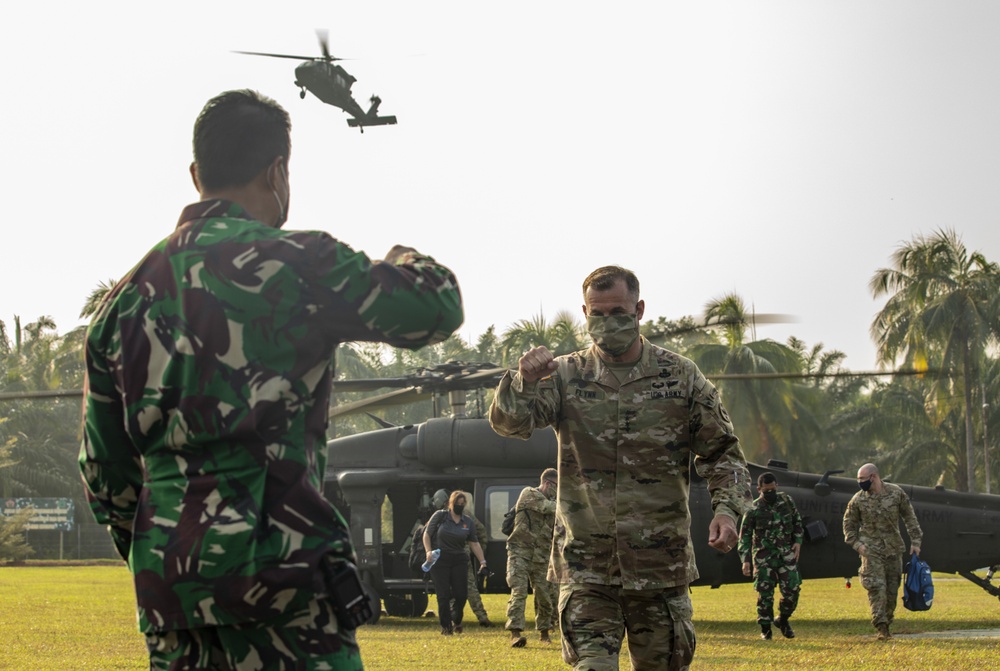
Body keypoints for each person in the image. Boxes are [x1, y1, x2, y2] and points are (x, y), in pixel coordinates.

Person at [78, 89, 464, 670]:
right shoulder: (300, 262)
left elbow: (104, 475)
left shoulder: (121, 303)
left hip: (175, 595)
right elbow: (437, 306)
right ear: (278, 170)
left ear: (195, 174)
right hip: (286, 584)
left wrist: (169, 547)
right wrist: (404, 258)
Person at [489, 265, 751, 671]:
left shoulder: (680, 376)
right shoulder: (564, 375)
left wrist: (726, 510)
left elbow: (723, 453)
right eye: (598, 313)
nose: (607, 322)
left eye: (618, 312)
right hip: (586, 569)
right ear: (585, 312)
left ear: (639, 309)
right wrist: (523, 380)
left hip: (660, 569)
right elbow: (510, 424)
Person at [843, 462, 923, 641]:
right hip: (870, 551)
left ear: (873, 477)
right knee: (877, 588)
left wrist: (916, 541)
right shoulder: (858, 499)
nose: (859, 482)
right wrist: (857, 545)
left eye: (862, 479)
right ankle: (881, 627)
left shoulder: (896, 493)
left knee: (892, 590)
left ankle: (887, 621)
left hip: (893, 549)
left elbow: (909, 517)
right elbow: (848, 524)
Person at [737, 472, 803, 640]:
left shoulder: (786, 502)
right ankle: (766, 629)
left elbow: (797, 521)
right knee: (765, 595)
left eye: (773, 489)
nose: (770, 493)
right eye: (767, 490)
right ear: (759, 489)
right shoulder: (752, 509)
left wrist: (798, 541)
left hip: (785, 554)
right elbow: (744, 536)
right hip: (763, 557)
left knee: (792, 590)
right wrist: (745, 560)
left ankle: (783, 619)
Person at [506, 468, 558, 648]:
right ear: (548, 483)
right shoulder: (529, 493)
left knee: (544, 595)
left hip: (541, 555)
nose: (558, 492)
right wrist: (570, 502)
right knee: (519, 592)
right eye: (557, 487)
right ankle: (515, 633)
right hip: (520, 551)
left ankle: (544, 632)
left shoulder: (553, 501)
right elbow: (548, 508)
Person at [423, 490, 488, 635]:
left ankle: (456, 618)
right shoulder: (440, 516)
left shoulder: (467, 521)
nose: (460, 506)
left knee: (461, 594)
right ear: (451, 503)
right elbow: (427, 534)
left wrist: (482, 561)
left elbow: (474, 542)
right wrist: (428, 551)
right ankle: (446, 627)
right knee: (444, 595)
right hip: (440, 559)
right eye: (458, 503)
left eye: (462, 504)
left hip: (459, 559)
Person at [457, 491, 494, 628]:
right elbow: (481, 531)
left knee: (451, 590)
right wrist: (479, 554)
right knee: (470, 588)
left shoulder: (442, 516)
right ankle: (482, 617)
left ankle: (454, 619)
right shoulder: (466, 514)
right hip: (463, 556)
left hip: (452, 557)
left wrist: (479, 554)